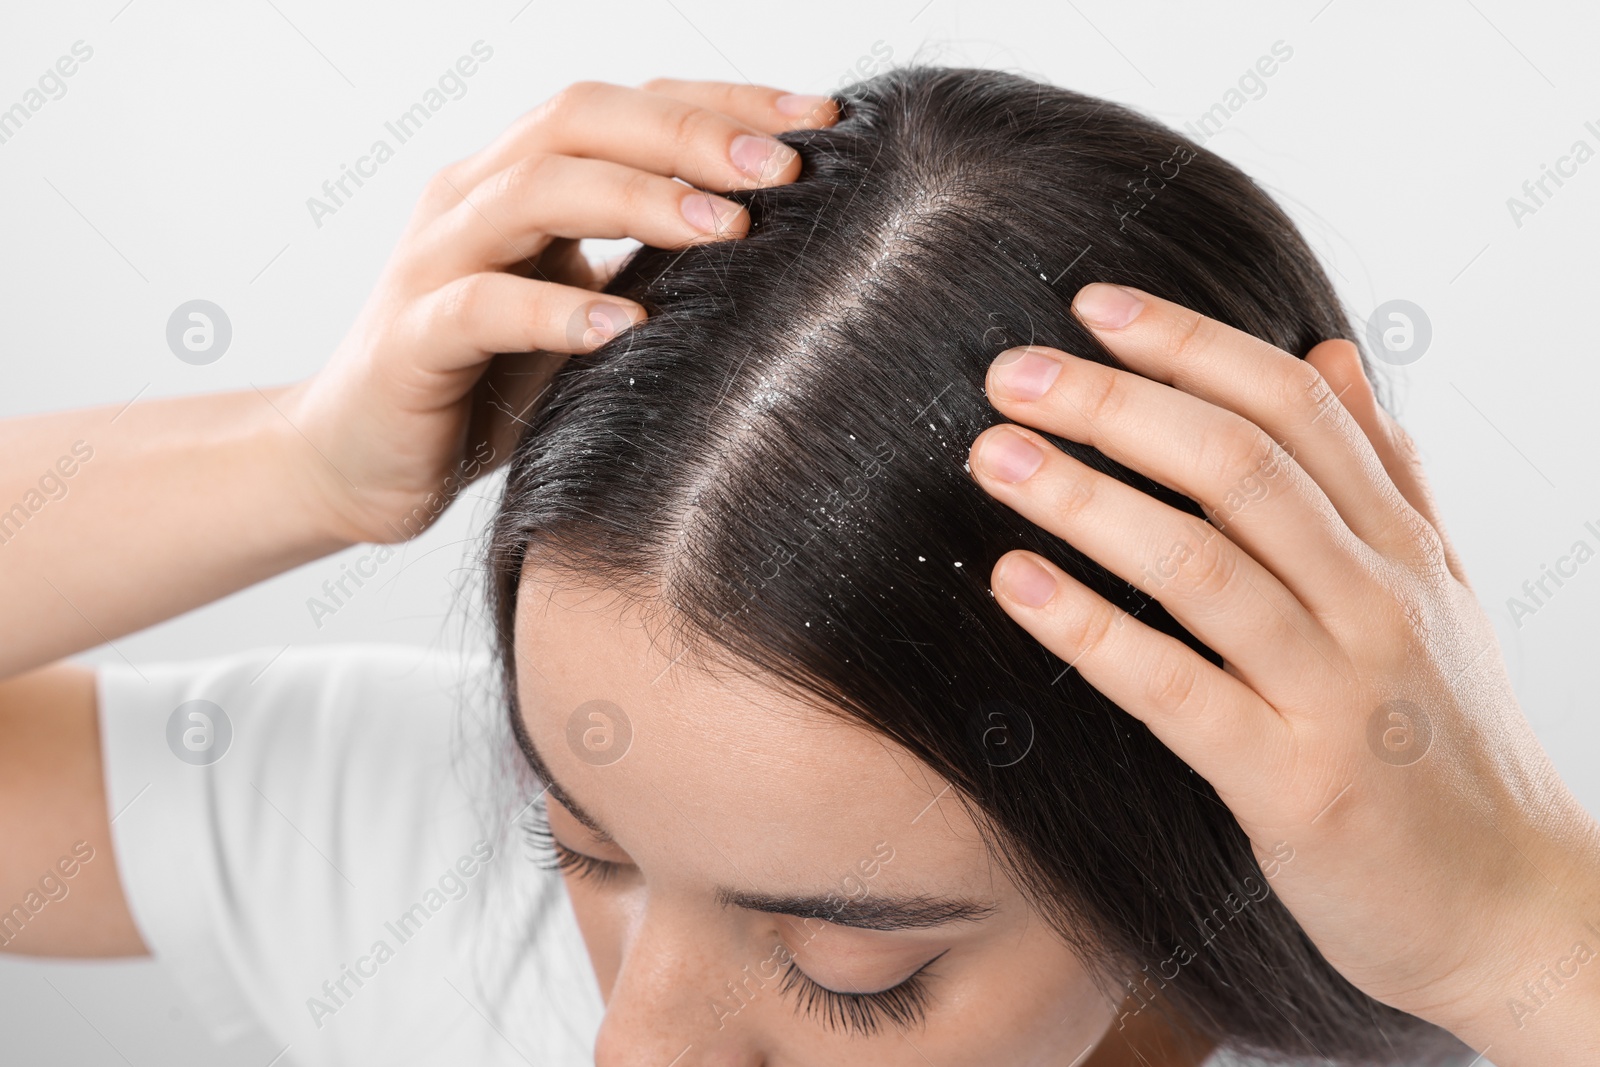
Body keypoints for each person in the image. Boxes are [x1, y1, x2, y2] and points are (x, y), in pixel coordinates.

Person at [1, 67, 1596, 1067]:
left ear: (1188, 852)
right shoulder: (402, 849)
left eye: (857, 972)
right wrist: (296, 463)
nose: (637, 1045)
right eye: (583, 854)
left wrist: (1520, 936)